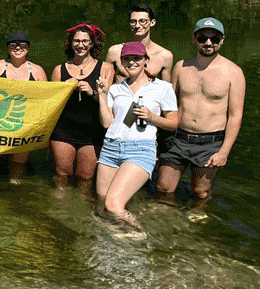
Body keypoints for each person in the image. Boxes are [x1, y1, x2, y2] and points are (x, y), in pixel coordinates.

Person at [156, 18, 246, 214]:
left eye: (214, 39)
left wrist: (224, 152)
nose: (208, 43)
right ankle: (164, 223)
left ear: (222, 40)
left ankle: (196, 223)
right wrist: (158, 140)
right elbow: (169, 106)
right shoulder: (181, 67)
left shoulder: (234, 73)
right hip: (178, 138)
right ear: (194, 39)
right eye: (203, 37)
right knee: (163, 188)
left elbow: (235, 116)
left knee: (201, 192)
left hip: (210, 141)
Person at [95, 41, 179, 235]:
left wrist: (152, 117)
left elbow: (174, 123)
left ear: (145, 60)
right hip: (110, 148)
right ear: (121, 61)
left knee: (113, 205)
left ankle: (140, 236)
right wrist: (102, 94)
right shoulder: (116, 88)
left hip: (139, 149)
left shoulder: (162, 88)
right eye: (127, 58)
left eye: (136, 58)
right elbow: (108, 123)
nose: (131, 62)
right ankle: (113, 247)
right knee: (101, 208)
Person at [50, 23, 115, 189]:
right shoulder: (59, 69)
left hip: (93, 130)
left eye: (85, 41)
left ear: (92, 43)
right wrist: (63, 90)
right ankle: (60, 210)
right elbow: (50, 105)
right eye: (77, 41)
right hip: (64, 128)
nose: (81, 45)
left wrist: (93, 92)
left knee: (85, 177)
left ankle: (82, 212)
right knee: (62, 174)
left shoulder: (106, 68)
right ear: (71, 43)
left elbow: (110, 104)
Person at [0, 30, 49, 178]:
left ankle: (16, 195)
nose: (17, 47)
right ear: (8, 48)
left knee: (18, 165)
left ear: (28, 47)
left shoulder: (37, 71)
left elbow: (47, 99)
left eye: (22, 44)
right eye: (13, 44)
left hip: (23, 126)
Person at [106, 4, 174, 81]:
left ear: (152, 22)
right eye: (133, 21)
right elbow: (105, 86)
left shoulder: (165, 56)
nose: (137, 25)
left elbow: (166, 90)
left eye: (142, 21)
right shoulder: (115, 52)